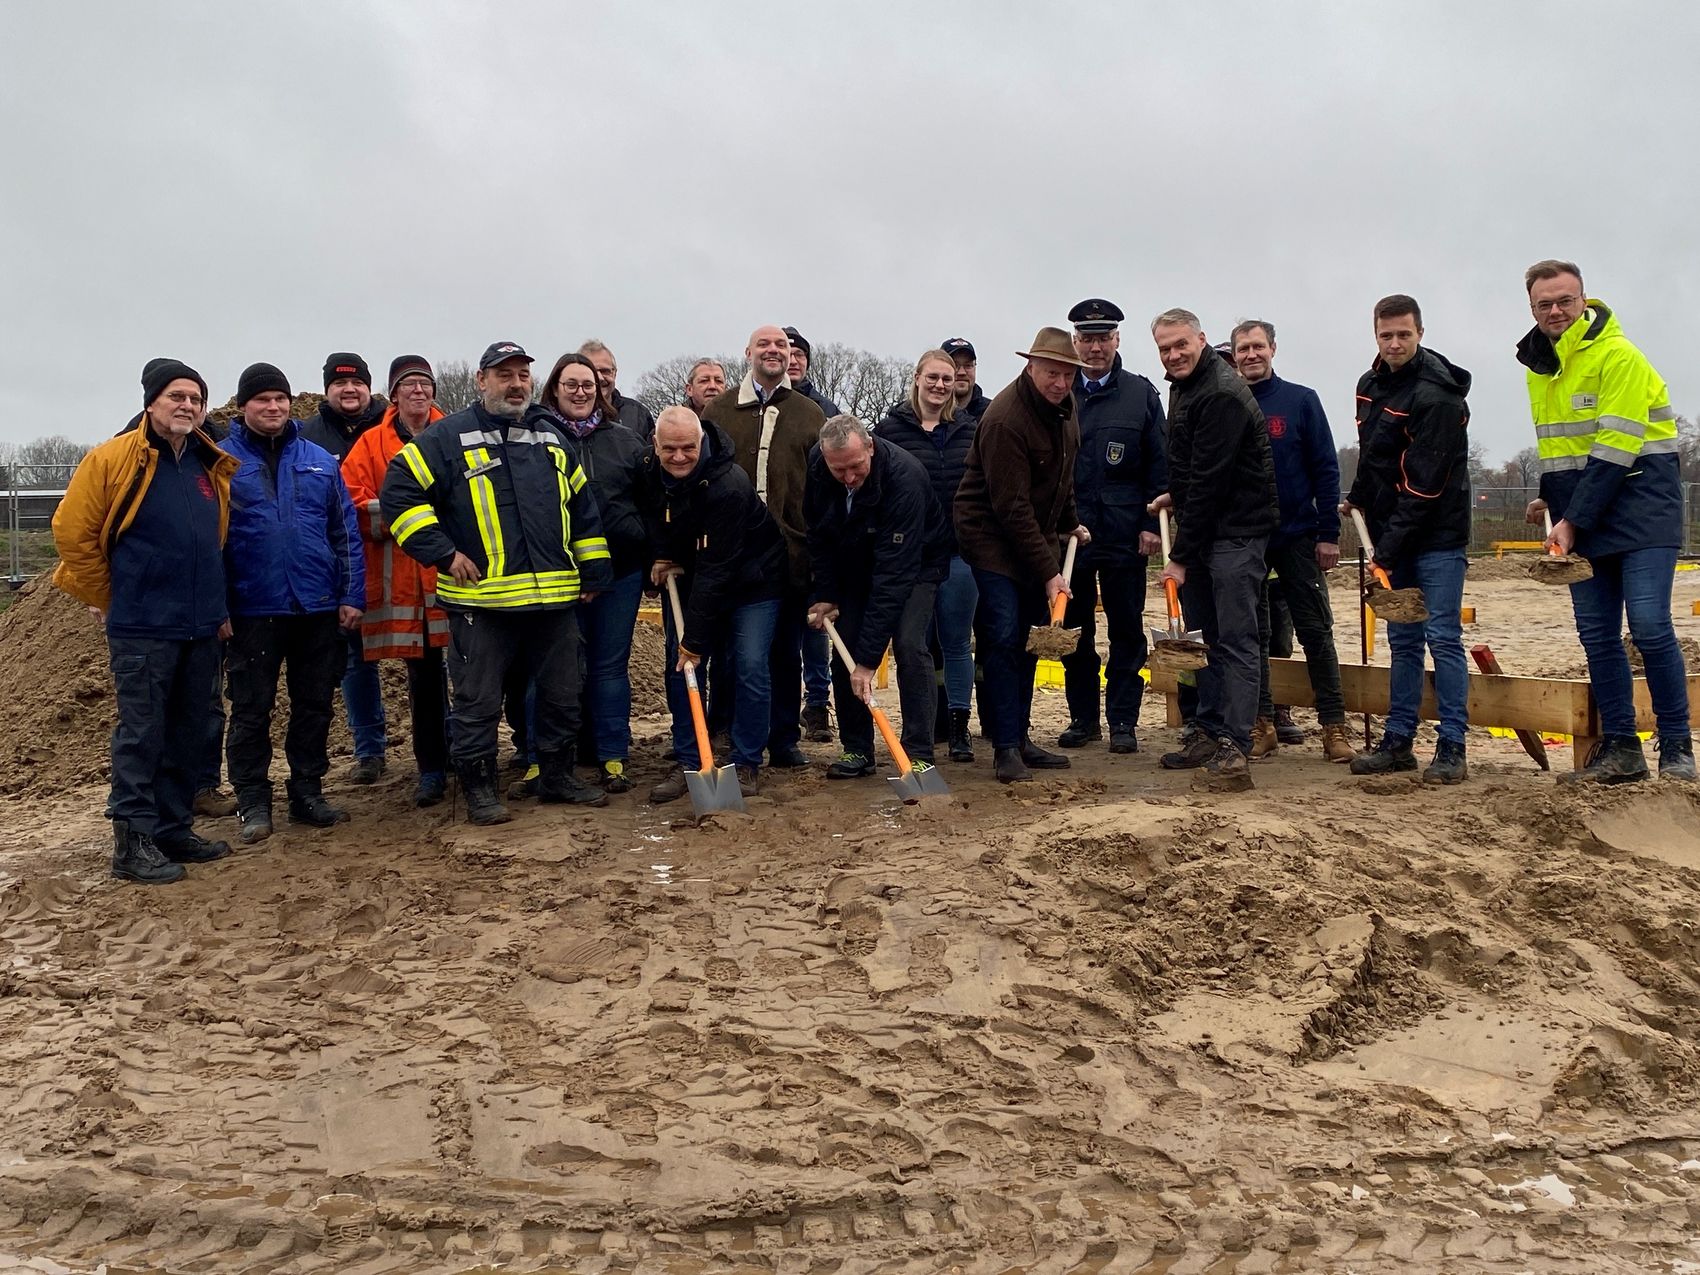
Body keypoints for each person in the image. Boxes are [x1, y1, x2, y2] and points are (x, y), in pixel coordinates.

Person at [381, 341, 613, 822]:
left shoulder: (550, 436)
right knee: (477, 702)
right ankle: (480, 791)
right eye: (504, 374)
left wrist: (593, 569)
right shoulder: (448, 437)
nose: (516, 383)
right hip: (481, 605)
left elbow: (583, 510)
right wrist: (442, 553)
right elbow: (398, 494)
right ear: (481, 380)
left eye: (523, 375)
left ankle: (557, 776)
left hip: (554, 601)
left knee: (562, 694)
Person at [53, 360, 237, 884]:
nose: (188, 406)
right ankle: (132, 840)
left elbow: (214, 543)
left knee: (188, 729)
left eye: (196, 398)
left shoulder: (207, 463)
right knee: (142, 732)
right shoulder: (114, 459)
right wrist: (108, 595)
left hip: (199, 625)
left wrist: (218, 611)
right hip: (143, 626)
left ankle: (173, 828)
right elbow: (71, 531)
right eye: (177, 396)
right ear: (151, 402)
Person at [1518, 259, 1693, 782]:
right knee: (1596, 635)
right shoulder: (1542, 368)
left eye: (1565, 301)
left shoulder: (1620, 357)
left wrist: (1572, 520)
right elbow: (1558, 450)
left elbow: (1614, 451)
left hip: (1644, 512)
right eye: (1544, 303)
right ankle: (1621, 747)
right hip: (1585, 516)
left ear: (1584, 300)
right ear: (1532, 307)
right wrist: (1548, 500)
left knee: (1649, 625)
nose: (1556, 311)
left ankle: (1677, 746)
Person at [221, 362, 366, 842]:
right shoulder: (220, 462)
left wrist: (351, 595)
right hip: (251, 609)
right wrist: (219, 608)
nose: (273, 407)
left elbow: (344, 533)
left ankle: (307, 792)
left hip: (317, 606)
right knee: (250, 708)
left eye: (280, 399)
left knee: (314, 705)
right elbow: (211, 544)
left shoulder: (320, 461)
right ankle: (252, 801)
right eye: (262, 399)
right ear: (244, 407)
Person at [1343, 295, 1472, 784]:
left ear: (1420, 332)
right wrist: (1356, 496)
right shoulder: (1370, 385)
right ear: (1375, 335)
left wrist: (1387, 549)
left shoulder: (1437, 395)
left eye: (1404, 334)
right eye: (1386, 335)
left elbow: (1424, 485)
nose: (1394, 343)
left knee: (1442, 636)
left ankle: (1453, 744)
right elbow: (1375, 453)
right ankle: (1398, 741)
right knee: (1402, 640)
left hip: (1437, 535)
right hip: (1392, 532)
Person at [1148, 309, 1278, 793]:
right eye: (1164, 348)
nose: (1173, 354)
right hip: (1208, 530)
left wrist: (1178, 556)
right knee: (1203, 640)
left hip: (1237, 534)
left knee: (1236, 640)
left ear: (1202, 339)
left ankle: (1235, 746)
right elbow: (1193, 469)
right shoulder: (1185, 387)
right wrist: (1174, 497)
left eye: (1181, 344)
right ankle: (1207, 729)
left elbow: (1211, 480)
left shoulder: (1221, 392)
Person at [954, 327, 1089, 783]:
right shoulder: (1005, 419)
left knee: (1032, 640)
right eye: (1052, 373)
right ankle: (1004, 747)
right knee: (1005, 635)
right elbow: (1010, 508)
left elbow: (1061, 478)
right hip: (990, 538)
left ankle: (1021, 735)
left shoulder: (1067, 411)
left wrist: (1069, 522)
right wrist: (1051, 573)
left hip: (1035, 535)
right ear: (1030, 367)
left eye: (1068, 374)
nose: (1060, 382)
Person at [639, 407, 785, 801]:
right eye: (670, 448)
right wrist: (659, 554)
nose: (680, 456)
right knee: (679, 666)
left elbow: (718, 570)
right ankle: (689, 760)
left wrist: (695, 642)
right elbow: (651, 519)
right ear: (656, 445)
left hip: (753, 581)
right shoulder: (648, 470)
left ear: (701, 441)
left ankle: (747, 762)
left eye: (688, 447)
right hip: (691, 574)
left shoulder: (729, 486)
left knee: (749, 664)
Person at [701, 324, 828, 769]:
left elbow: (822, 490)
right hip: (730, 554)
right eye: (764, 345)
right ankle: (726, 734)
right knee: (733, 655)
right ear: (748, 353)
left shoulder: (810, 414)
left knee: (784, 653)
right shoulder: (717, 412)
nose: (773, 351)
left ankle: (784, 738)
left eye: (781, 345)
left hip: (792, 552)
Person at [1230, 320, 1354, 764]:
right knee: (1255, 634)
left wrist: (1328, 534)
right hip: (1248, 537)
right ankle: (1262, 724)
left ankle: (1334, 726)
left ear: (1273, 349)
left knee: (1315, 631)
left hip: (1300, 535)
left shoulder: (1300, 400)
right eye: (1242, 348)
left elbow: (1325, 469)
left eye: (1257, 346)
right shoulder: (1230, 404)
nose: (1250, 355)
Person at [806, 415, 948, 777]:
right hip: (855, 562)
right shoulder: (819, 466)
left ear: (869, 446)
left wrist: (869, 660)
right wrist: (826, 594)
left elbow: (893, 577)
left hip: (915, 565)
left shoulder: (906, 478)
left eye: (855, 467)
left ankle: (918, 751)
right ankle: (857, 749)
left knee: (909, 644)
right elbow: (819, 534)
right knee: (845, 651)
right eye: (839, 471)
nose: (849, 478)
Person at [339, 356, 452, 808]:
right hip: (406, 583)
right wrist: (415, 518)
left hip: (455, 577)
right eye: (409, 385)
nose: (418, 392)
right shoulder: (370, 444)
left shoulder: (455, 434)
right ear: (394, 394)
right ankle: (432, 768)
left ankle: (469, 755)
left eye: (425, 384)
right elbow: (350, 499)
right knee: (423, 680)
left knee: (472, 678)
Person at [1059, 298, 1168, 755]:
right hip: (1073, 538)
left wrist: (1151, 526)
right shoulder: (1059, 394)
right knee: (1074, 634)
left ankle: (1123, 721)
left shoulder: (1139, 393)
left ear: (1117, 340)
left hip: (1126, 535)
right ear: (1075, 343)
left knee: (1126, 631)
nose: (1095, 347)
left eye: (1103, 338)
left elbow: (1160, 463)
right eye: (1087, 339)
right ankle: (1083, 721)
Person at [540, 351, 650, 794]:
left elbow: (649, 504)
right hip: (554, 575)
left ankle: (612, 757)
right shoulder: (534, 439)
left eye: (588, 384)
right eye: (572, 385)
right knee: (553, 670)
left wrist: (644, 549)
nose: (582, 392)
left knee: (609, 667)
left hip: (619, 574)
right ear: (555, 389)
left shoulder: (625, 442)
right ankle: (544, 760)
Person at [875, 350, 980, 762]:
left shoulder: (970, 430)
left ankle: (958, 727)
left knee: (956, 643)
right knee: (912, 645)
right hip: (911, 559)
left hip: (958, 554)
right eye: (932, 377)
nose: (940, 386)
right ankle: (918, 727)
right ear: (917, 377)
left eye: (947, 379)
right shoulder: (889, 431)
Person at [300, 353, 391, 784]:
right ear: (326, 390)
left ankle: (442, 740)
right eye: (339, 384)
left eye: (356, 382)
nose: (349, 390)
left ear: (369, 386)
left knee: (430, 657)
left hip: (402, 561)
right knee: (356, 660)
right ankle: (369, 750)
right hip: (343, 565)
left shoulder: (392, 428)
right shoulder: (309, 437)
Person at [782, 327, 838, 741]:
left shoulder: (822, 408)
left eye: (800, 353)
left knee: (816, 626)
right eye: (788, 352)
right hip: (775, 538)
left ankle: (817, 704)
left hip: (815, 531)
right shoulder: (757, 407)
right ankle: (781, 713)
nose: (794, 360)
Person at [579, 339, 656, 440]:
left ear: (614, 373)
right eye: (591, 371)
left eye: (605, 371)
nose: (599, 377)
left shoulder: (638, 415)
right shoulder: (566, 415)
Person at [784, 326, 844, 416]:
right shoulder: (760, 402)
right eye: (787, 355)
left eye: (799, 355)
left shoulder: (826, 408)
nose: (793, 361)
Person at [941, 338, 992, 423]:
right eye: (955, 365)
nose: (962, 372)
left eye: (968, 365)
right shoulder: (925, 413)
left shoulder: (991, 412)